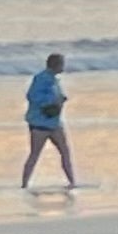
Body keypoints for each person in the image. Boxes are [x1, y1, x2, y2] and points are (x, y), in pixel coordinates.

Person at [21, 55, 77, 191]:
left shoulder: (54, 80)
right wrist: (51, 100)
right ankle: (24, 183)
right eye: (61, 64)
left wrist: (61, 99)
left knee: (65, 151)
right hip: (40, 123)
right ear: (55, 65)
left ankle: (72, 182)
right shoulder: (41, 78)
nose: (63, 67)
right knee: (35, 153)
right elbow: (32, 96)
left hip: (55, 122)